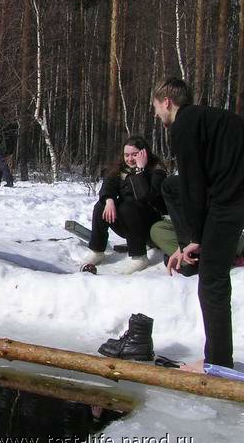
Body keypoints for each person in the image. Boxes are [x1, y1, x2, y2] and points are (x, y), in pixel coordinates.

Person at [152, 77, 244, 371]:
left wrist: (195, 236)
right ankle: (189, 248)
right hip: (228, 192)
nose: (157, 115)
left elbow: (194, 184)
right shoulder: (207, 118)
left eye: (156, 107)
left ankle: (218, 365)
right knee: (170, 185)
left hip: (229, 200)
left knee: (212, 281)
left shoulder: (184, 124)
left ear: (167, 102)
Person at [83, 136, 167, 274]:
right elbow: (108, 185)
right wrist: (108, 200)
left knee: (128, 206)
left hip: (151, 227)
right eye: (126, 155)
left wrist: (140, 170)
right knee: (101, 206)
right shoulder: (122, 169)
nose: (130, 159)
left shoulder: (157, 170)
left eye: (135, 154)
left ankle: (139, 257)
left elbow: (145, 197)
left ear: (144, 153)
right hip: (129, 224)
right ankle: (97, 251)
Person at [0, 112, 18, 187]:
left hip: (1, 146)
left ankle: (9, 181)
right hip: (8, 147)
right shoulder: (8, 123)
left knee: (2, 163)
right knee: (0, 163)